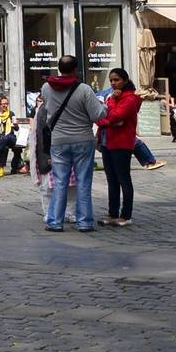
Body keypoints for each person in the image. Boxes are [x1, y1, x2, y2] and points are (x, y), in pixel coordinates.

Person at [37, 55, 108, 233]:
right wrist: (105, 107)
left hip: (58, 140)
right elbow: (97, 115)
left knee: (60, 181)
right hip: (83, 139)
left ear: (59, 69)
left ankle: (54, 221)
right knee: (83, 181)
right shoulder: (84, 89)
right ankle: (84, 222)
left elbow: (47, 110)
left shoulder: (46, 88)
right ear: (76, 69)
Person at [96, 69, 143, 228]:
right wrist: (105, 119)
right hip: (107, 142)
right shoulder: (114, 98)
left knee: (123, 179)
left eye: (116, 80)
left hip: (121, 143)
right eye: (111, 80)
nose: (113, 83)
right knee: (112, 180)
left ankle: (126, 215)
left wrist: (106, 114)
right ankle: (112, 212)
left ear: (125, 80)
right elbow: (105, 117)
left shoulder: (129, 99)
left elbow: (114, 117)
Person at [0, 97, 24, 175]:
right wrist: (0, 135)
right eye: (3, 104)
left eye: (7, 104)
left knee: (8, 138)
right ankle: (2, 168)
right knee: (4, 147)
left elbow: (16, 129)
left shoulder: (11, 114)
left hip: (11, 138)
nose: (5, 105)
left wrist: (15, 125)